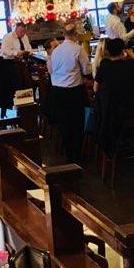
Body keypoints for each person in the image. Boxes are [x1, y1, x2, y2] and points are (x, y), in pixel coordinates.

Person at [93, 38, 134, 154]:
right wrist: (133, 56)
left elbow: (95, 89)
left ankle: (130, 141)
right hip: (131, 110)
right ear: (123, 50)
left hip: (111, 113)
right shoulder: (131, 63)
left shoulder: (104, 65)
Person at [48, 23, 91, 163]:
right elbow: (87, 71)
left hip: (57, 92)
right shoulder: (78, 49)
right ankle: (77, 156)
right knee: (77, 124)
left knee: (64, 124)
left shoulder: (56, 51)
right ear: (75, 35)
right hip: (74, 92)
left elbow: (52, 70)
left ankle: (68, 155)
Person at [0, 22, 32, 118]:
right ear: (16, 29)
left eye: (24, 31)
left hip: (20, 64)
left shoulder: (25, 37)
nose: (23, 33)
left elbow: (28, 47)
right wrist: (17, 53)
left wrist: (27, 51)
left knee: (24, 85)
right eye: (21, 31)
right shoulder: (8, 37)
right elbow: (5, 51)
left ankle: (23, 111)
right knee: (7, 90)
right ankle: (3, 113)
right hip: (6, 65)